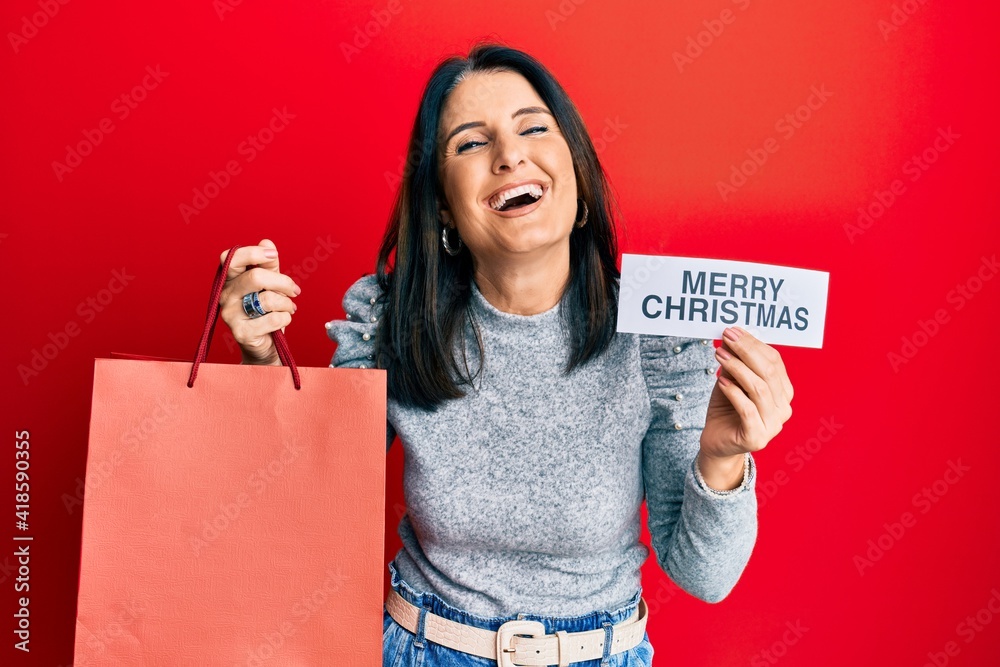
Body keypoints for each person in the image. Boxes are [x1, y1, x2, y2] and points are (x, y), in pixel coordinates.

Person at [216, 43, 793, 667]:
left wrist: (722, 457)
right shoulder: (393, 321)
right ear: (442, 204)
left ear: (575, 168)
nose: (510, 154)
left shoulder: (656, 340)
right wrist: (261, 360)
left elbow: (703, 576)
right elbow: (308, 503)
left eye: (534, 128)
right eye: (470, 143)